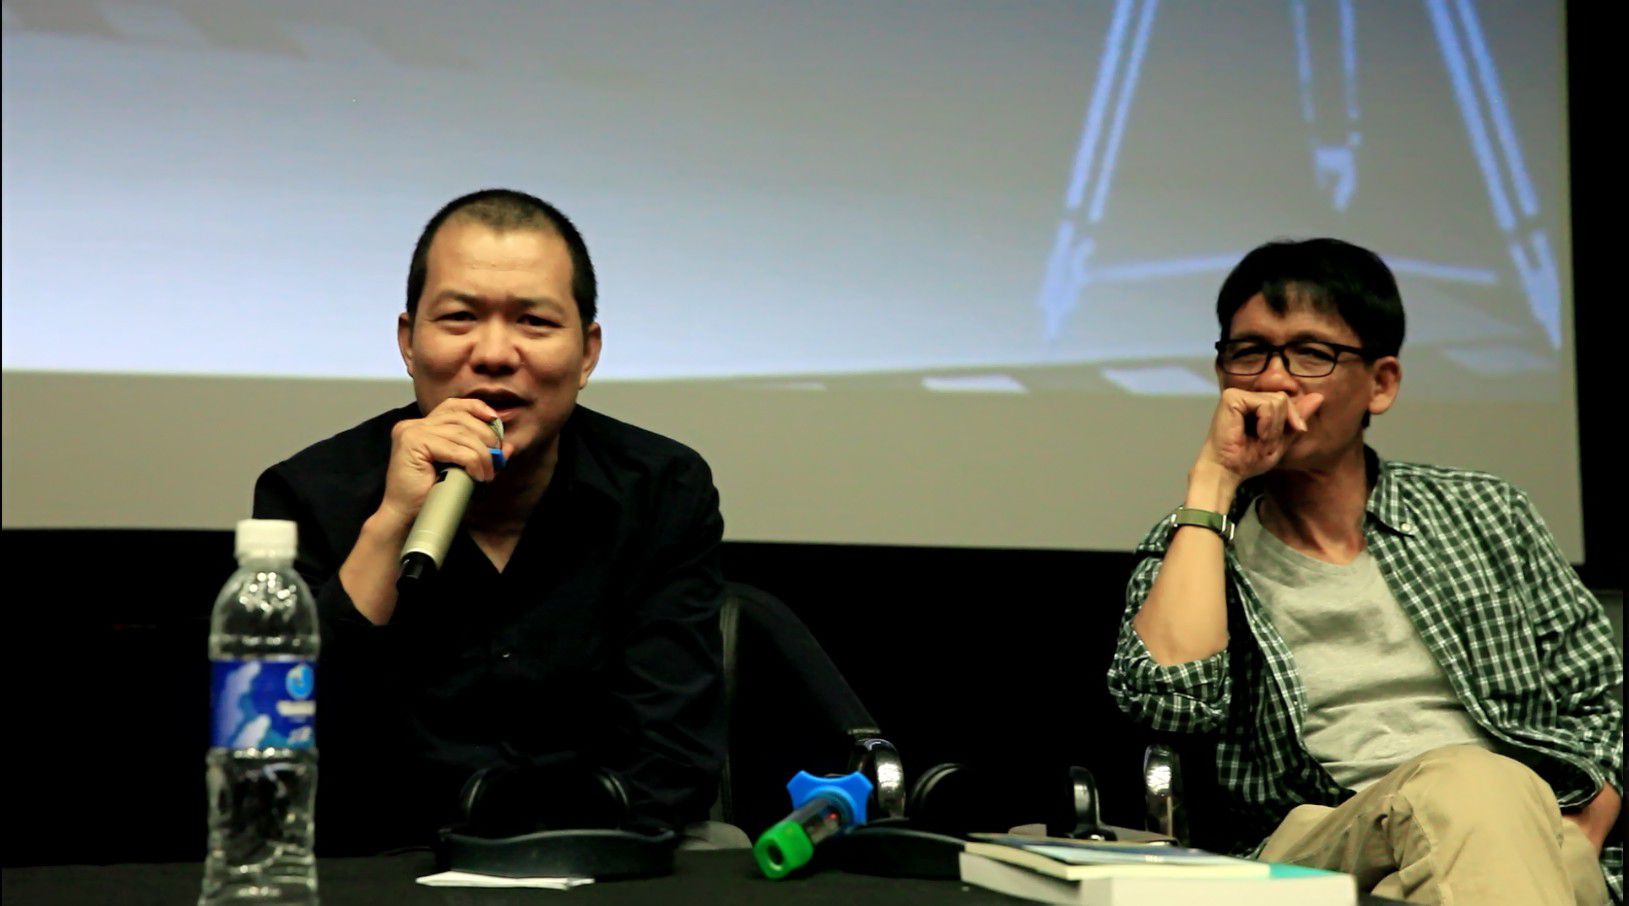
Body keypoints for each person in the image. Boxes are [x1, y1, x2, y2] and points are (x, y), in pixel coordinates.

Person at [1107, 238, 1622, 903]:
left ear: (1381, 384)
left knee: (1490, 822)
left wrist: (1586, 826)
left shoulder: (1485, 512)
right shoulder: (1197, 542)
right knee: (1469, 782)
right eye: (1249, 352)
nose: (1274, 380)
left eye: (1310, 354)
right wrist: (1213, 477)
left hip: (1513, 831)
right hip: (1317, 845)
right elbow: (1169, 704)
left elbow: (1601, 697)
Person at [253, 189, 727, 851]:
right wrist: (392, 521)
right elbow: (276, 751)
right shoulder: (309, 493)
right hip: (382, 864)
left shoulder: (661, 489)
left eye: (533, 321)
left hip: (597, 853)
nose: (496, 353)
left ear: (587, 353)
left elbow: (675, 756)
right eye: (459, 318)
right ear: (408, 342)